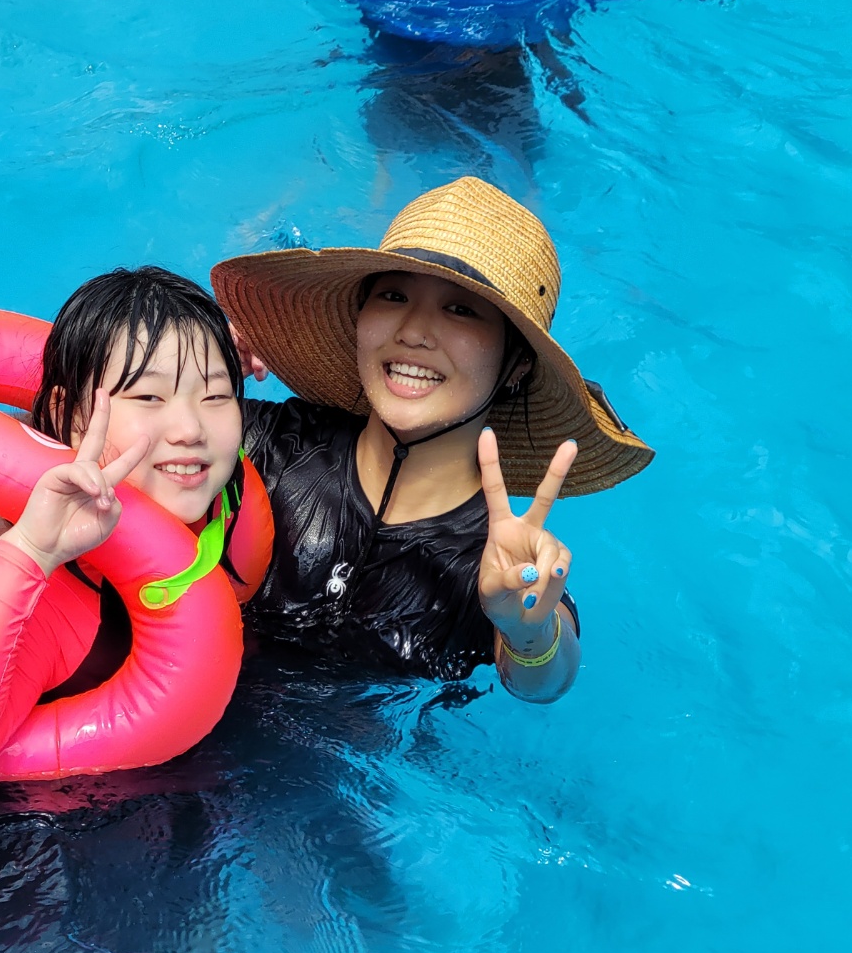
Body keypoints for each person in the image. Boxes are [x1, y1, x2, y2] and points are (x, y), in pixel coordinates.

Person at [213, 176, 654, 703]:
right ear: (360, 317)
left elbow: (544, 681)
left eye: (460, 309)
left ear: (516, 363)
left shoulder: (494, 564)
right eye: (393, 295)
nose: (414, 331)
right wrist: (183, 384)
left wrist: (527, 632)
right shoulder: (259, 442)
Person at [0, 266, 254, 775]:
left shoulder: (225, 492)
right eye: (149, 397)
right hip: (24, 814)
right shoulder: (51, 594)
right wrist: (30, 549)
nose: (190, 429)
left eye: (214, 396)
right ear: (70, 414)